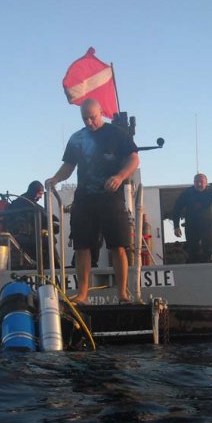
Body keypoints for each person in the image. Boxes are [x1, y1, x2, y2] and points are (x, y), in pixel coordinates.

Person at [47, 98, 139, 304]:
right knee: (82, 246)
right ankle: (82, 294)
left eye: (93, 117)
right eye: (85, 118)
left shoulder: (117, 134)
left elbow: (134, 158)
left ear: (101, 112)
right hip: (85, 199)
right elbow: (68, 167)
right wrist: (55, 178)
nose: (89, 122)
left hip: (111, 198)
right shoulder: (76, 139)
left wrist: (119, 176)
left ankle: (123, 294)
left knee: (118, 246)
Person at [5, 180, 59, 268]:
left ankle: (49, 265)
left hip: (21, 237)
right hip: (22, 238)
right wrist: (52, 222)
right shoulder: (27, 203)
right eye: (40, 193)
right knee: (49, 239)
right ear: (34, 191)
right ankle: (56, 266)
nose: (41, 197)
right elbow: (43, 215)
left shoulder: (20, 201)